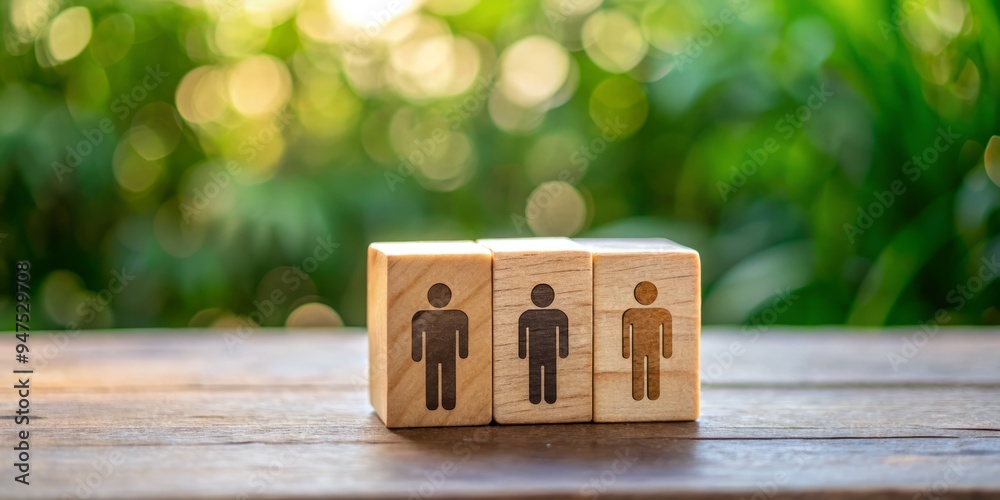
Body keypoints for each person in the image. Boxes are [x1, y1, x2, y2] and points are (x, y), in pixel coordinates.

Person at [411, 283, 468, 410]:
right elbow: (417, 337)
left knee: (446, 377)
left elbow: (463, 335)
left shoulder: (458, 316)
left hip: (446, 355)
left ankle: (446, 402)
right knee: (435, 378)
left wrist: (417, 355)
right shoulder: (458, 316)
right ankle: (436, 403)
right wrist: (417, 355)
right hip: (434, 355)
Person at [517, 283, 569, 404]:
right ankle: (535, 398)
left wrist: (563, 352)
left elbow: (563, 333)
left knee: (549, 374)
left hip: (548, 352)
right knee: (535, 374)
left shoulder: (558, 315)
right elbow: (522, 335)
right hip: (536, 352)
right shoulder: (527, 315)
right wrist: (522, 352)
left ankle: (549, 398)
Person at [622, 281, 672, 401]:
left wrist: (667, 350)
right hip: (637, 348)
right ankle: (638, 394)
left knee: (653, 370)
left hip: (653, 348)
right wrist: (626, 350)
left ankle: (653, 394)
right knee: (638, 371)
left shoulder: (662, 313)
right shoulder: (631, 313)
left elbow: (667, 332)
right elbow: (625, 333)